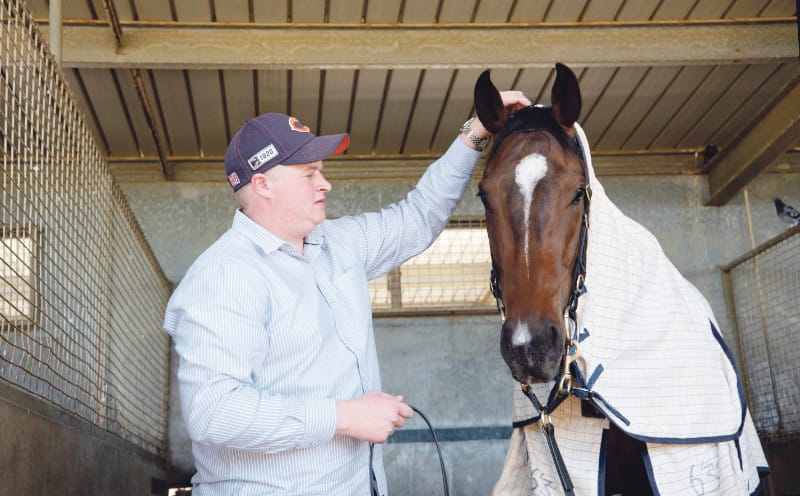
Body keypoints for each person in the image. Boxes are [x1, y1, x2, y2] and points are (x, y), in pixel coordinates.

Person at [163, 89, 531, 495]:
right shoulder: (226, 275)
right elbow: (213, 413)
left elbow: (418, 218)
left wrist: (475, 130)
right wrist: (344, 417)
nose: (326, 184)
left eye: (321, 170)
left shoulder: (337, 244)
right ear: (263, 184)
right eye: (309, 173)